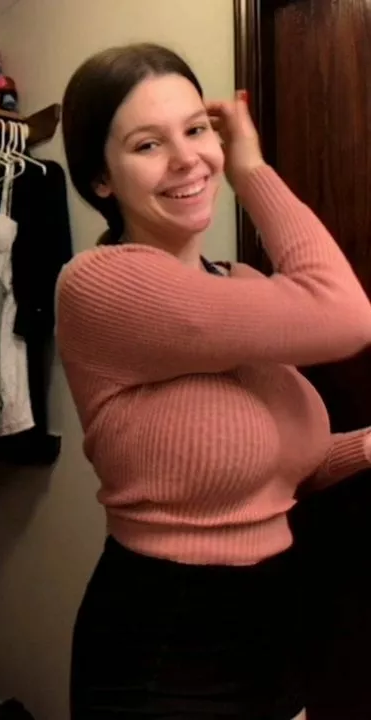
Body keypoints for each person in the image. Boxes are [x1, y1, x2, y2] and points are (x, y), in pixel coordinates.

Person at [57, 43, 371, 720]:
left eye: (196, 129)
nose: (186, 159)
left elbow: (280, 469)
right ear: (101, 178)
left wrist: (364, 447)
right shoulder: (102, 284)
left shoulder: (242, 286)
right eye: (148, 144)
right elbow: (349, 316)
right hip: (166, 649)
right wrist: (250, 168)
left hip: (275, 634)